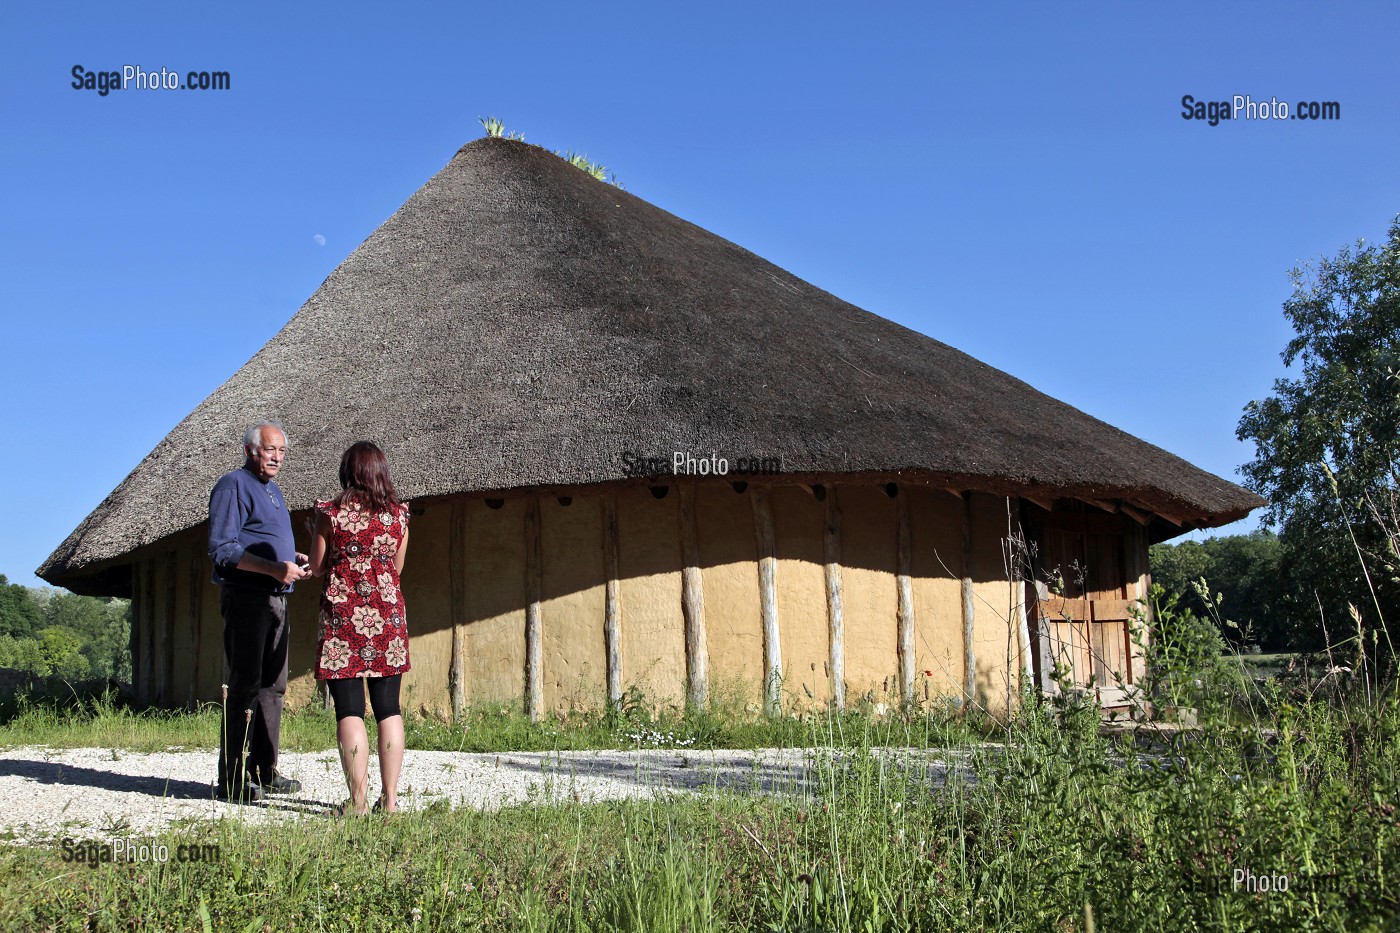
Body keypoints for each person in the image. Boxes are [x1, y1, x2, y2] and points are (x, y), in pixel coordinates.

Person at [305, 441, 411, 815]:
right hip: (387, 619)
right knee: (389, 709)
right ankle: (392, 801)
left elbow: (317, 567)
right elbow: (395, 569)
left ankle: (359, 803)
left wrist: (317, 538)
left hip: (343, 620)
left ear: (347, 472)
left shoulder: (329, 513)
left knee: (349, 710)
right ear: (381, 471)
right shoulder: (399, 516)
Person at [208, 421, 309, 802]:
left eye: (282, 451)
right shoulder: (233, 484)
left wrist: (291, 558)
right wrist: (272, 567)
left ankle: (265, 771)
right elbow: (223, 549)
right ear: (251, 450)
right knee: (245, 685)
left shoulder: (273, 491)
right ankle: (232, 779)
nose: (277, 458)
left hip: (277, 597)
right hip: (248, 597)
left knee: (274, 687)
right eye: (271, 450)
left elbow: (263, 539)